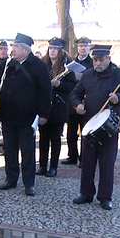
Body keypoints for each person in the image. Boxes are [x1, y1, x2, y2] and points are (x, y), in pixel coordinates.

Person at [71, 45, 120, 210]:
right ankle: (86, 193)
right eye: (95, 60)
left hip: (109, 127)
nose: (98, 63)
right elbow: (75, 93)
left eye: (101, 60)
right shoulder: (87, 75)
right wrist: (77, 105)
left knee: (107, 163)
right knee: (87, 161)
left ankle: (105, 197)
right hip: (90, 124)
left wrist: (118, 97)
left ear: (109, 58)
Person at [0, 33, 52, 196]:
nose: (12, 50)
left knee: (27, 151)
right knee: (10, 150)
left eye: (15, 47)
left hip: (27, 116)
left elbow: (46, 92)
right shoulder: (6, 64)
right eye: (12, 47)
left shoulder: (39, 66)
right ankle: (11, 179)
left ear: (25, 49)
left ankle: (29, 183)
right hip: (8, 115)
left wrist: (43, 114)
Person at [36, 37, 76, 177]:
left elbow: (72, 85)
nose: (52, 51)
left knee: (55, 138)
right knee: (43, 138)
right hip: (44, 106)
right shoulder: (42, 64)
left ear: (60, 51)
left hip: (59, 106)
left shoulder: (67, 66)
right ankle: (42, 166)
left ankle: (53, 167)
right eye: (51, 48)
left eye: (55, 49)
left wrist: (60, 85)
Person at [63, 36, 93, 166]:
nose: (82, 48)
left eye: (85, 46)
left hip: (86, 101)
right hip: (72, 101)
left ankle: (84, 158)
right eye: (81, 46)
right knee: (71, 133)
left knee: (85, 132)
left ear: (89, 48)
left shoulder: (93, 63)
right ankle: (72, 155)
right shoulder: (71, 63)